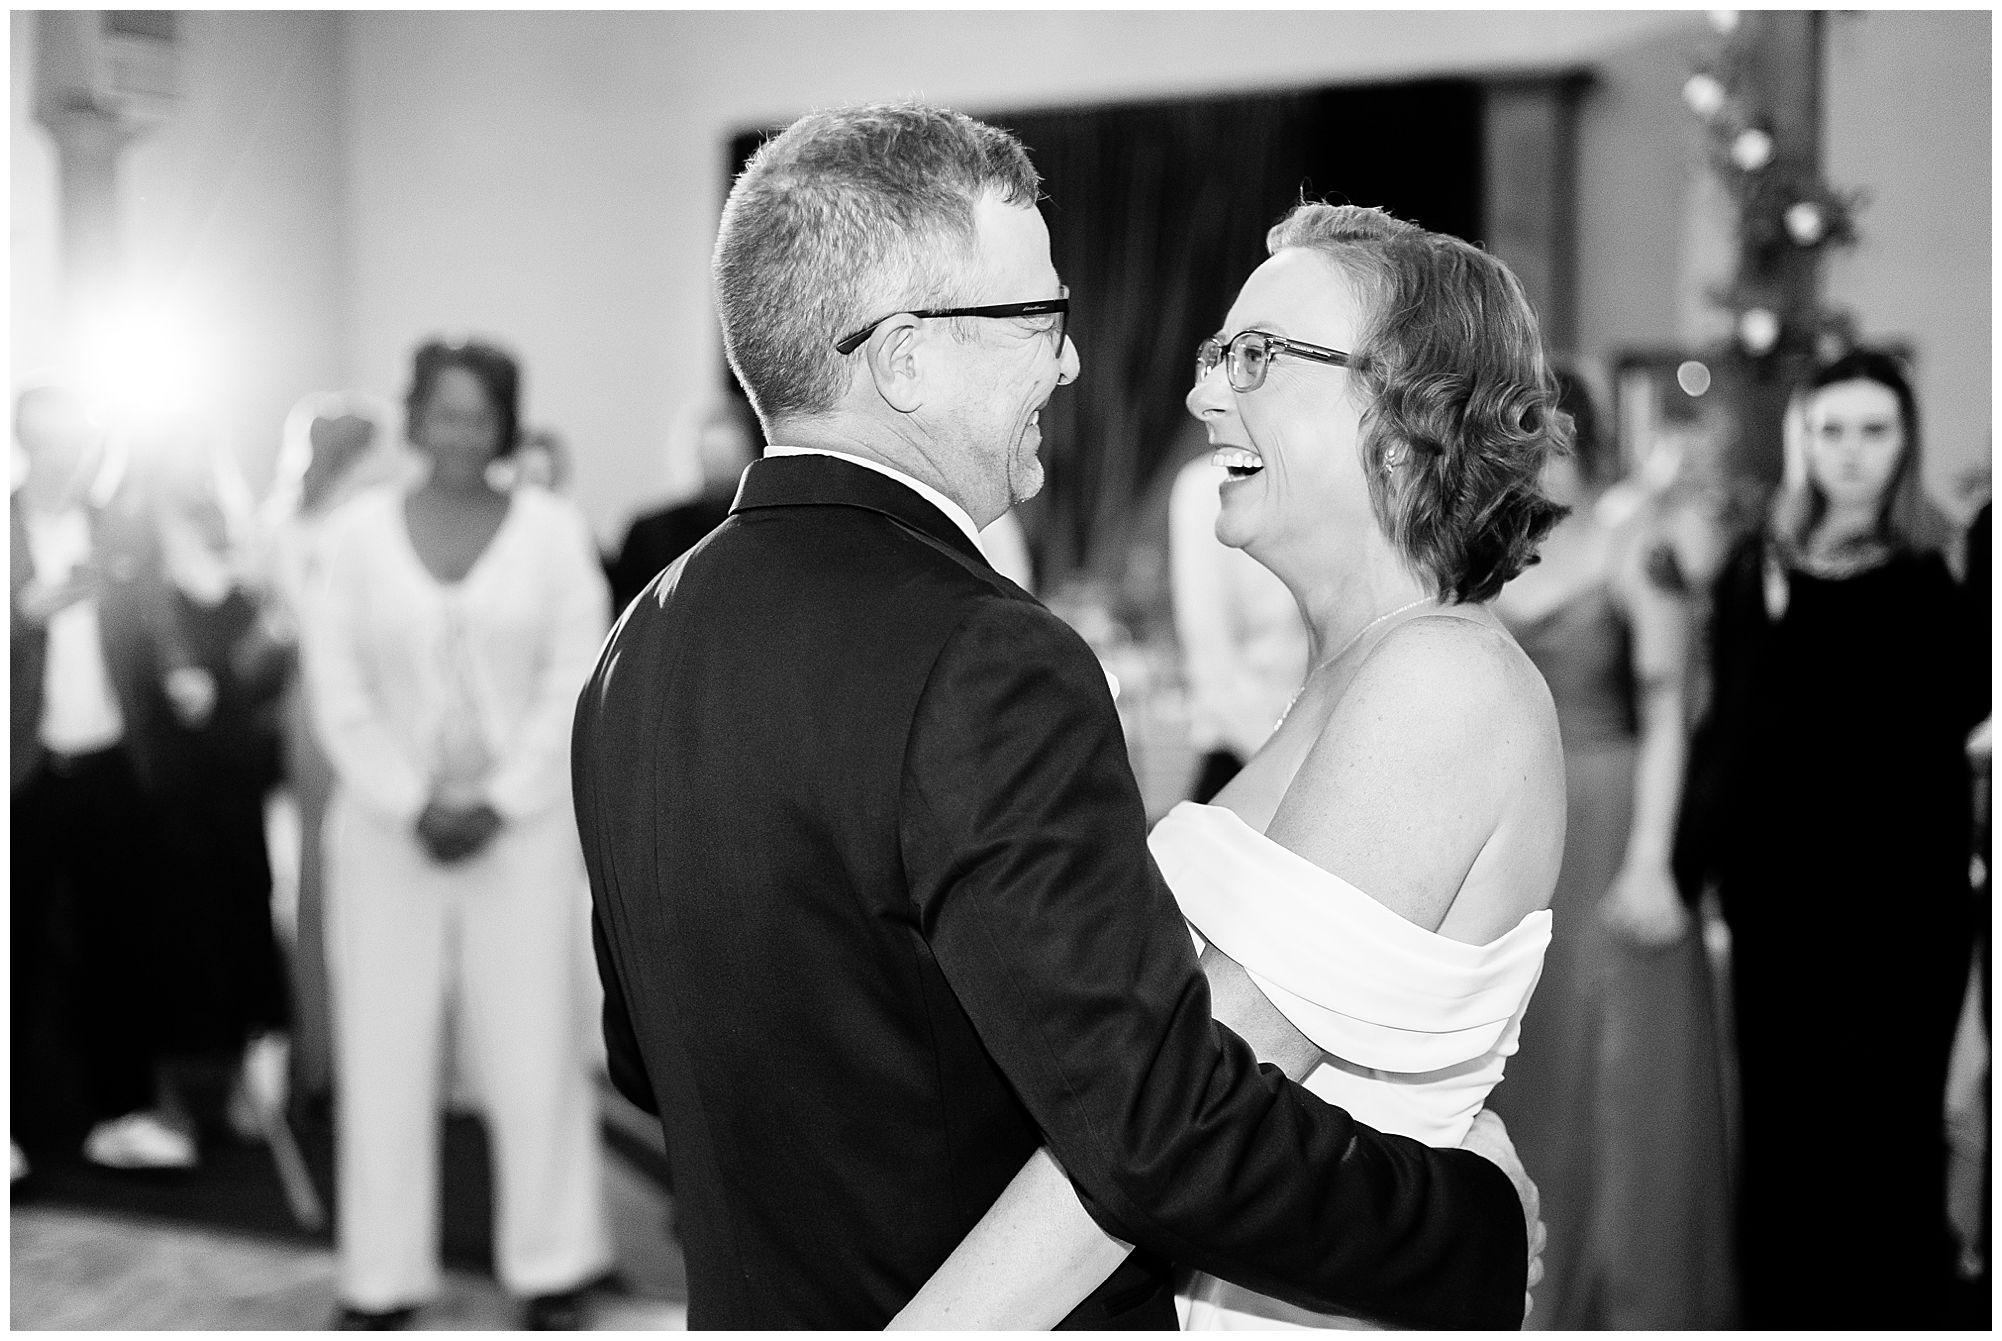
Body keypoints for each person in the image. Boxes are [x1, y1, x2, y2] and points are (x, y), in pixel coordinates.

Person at [575, 103, 1539, 1331]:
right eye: (1036, 317)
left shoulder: (636, 648)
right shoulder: (979, 653)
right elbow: (1149, 1128)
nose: (1090, 366)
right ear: (905, 360)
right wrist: (1473, 1227)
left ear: (1408, 418)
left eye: (1255, 356)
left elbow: (653, 1060)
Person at [901, 201, 1568, 1329]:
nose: (1205, 395)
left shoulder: (1443, 683)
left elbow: (1176, 1111)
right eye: (1219, 354)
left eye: (1257, 355)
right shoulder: (1355, 675)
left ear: (1409, 413)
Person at [304, 339, 612, 1329]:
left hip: (521, 831)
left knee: (533, 1047)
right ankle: (382, 1278)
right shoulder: (354, 536)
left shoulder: (553, 533)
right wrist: (411, 801)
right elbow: (336, 685)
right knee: (383, 1053)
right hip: (383, 831)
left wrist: (501, 799)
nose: (459, 434)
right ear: (414, 417)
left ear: (504, 426)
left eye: (478, 416)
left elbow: (576, 676)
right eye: (443, 412)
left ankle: (553, 1263)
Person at [1680, 348, 1981, 1327]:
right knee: (1786, 1140)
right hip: (1782, 905)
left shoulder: (1941, 576)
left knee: (1891, 1142)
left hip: (1907, 911)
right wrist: (1691, 865)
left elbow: (1954, 746)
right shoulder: (1756, 568)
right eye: (1831, 430)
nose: (1851, 453)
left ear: (1906, 443)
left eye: (1873, 431)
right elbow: (1725, 731)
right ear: (1801, 439)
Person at [1485, 367, 1735, 1328]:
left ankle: (1626, 1301)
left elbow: (1672, 712)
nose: (1536, 456)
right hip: (1521, 822)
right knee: (1533, 1062)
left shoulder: (1641, 548)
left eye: (1550, 435)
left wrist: (1653, 859)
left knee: (1620, 1066)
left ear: (1582, 440)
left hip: (1614, 812)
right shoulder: (1485, 557)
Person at [10, 384, 193, 1174]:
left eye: (75, 441)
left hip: (111, 761)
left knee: (121, 944)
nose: (65, 457)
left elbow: (156, 617)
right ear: (24, 442)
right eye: (48, 441)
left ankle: (121, 1112)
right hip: (22, 771)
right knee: (15, 949)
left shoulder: (117, 527)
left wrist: (182, 671)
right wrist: (22, 614)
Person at [126, 416, 295, 1138]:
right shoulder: (134, 544)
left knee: (240, 914)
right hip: (166, 771)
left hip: (231, 766)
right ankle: (166, 1090)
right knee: (169, 922)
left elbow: (260, 660)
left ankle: (240, 1078)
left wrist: (265, 648)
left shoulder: (236, 537)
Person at [255, 392, 408, 1106]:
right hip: (345, 701)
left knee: (338, 874)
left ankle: (333, 1056)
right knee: (348, 870)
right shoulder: (363, 525)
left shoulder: (288, 525)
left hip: (329, 699)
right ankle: (342, 1056)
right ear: (359, 454)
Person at [1166, 435, 1309, 801]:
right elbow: (1212, 664)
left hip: (1334, 744)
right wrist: (1290, 771)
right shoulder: (1204, 488)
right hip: (1243, 751)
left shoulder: (1333, 475)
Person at [604, 397, 757, 614]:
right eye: (708, 456)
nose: (715, 467)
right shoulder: (649, 532)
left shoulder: (761, 528)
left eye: (723, 457)